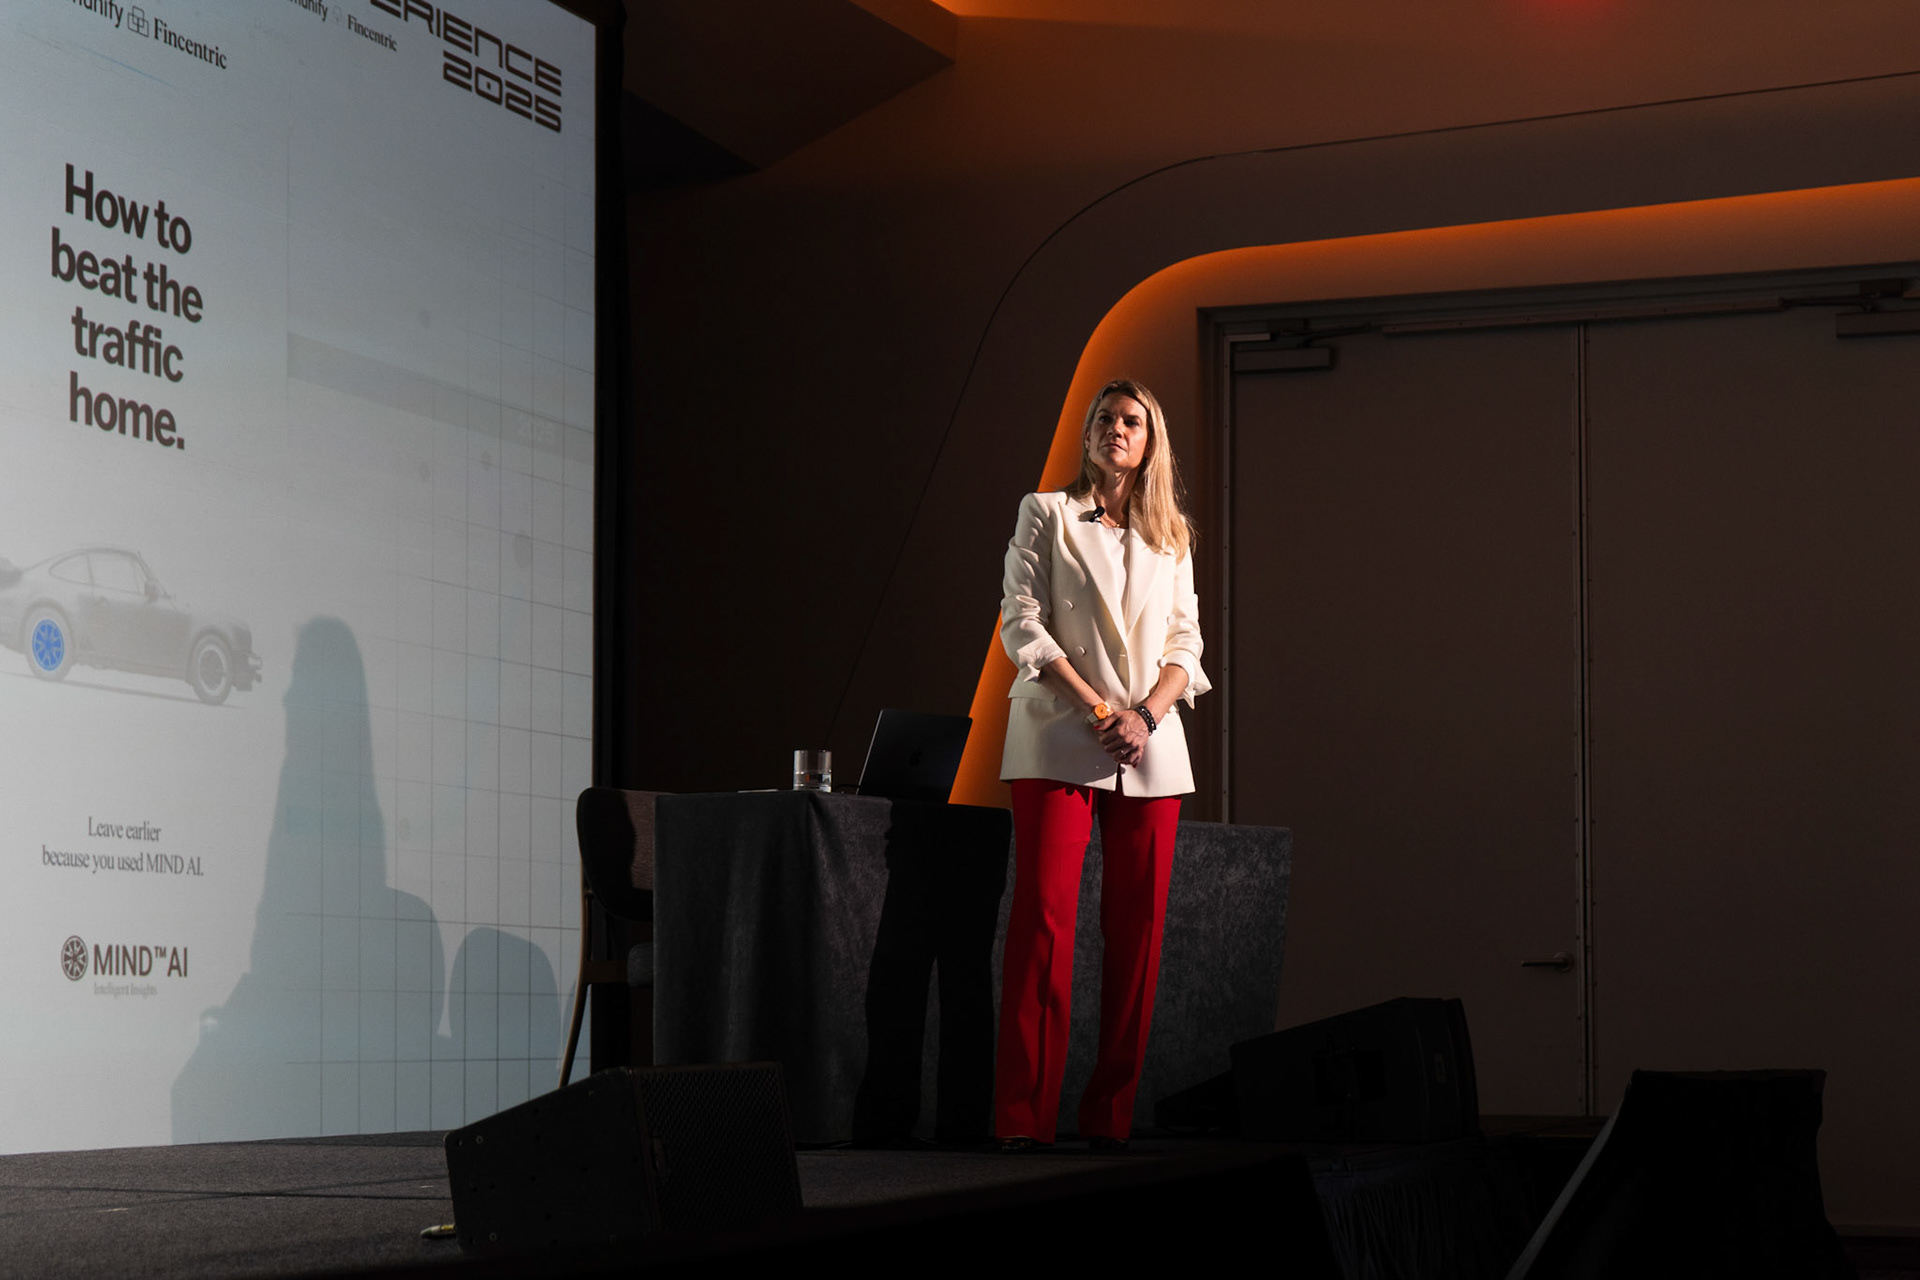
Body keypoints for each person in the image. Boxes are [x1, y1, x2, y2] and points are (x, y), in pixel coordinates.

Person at [994, 377, 1210, 1151]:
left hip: (1149, 744)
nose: (1116, 428)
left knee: (1139, 934)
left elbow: (1187, 643)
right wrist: (1099, 712)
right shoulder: (1046, 512)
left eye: (1131, 421)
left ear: (1149, 443)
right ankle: (1024, 1121)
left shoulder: (1170, 534)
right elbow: (1022, 623)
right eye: (1105, 418)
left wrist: (1144, 716)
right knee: (1044, 925)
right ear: (1087, 433)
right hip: (1060, 732)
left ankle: (1109, 1118)